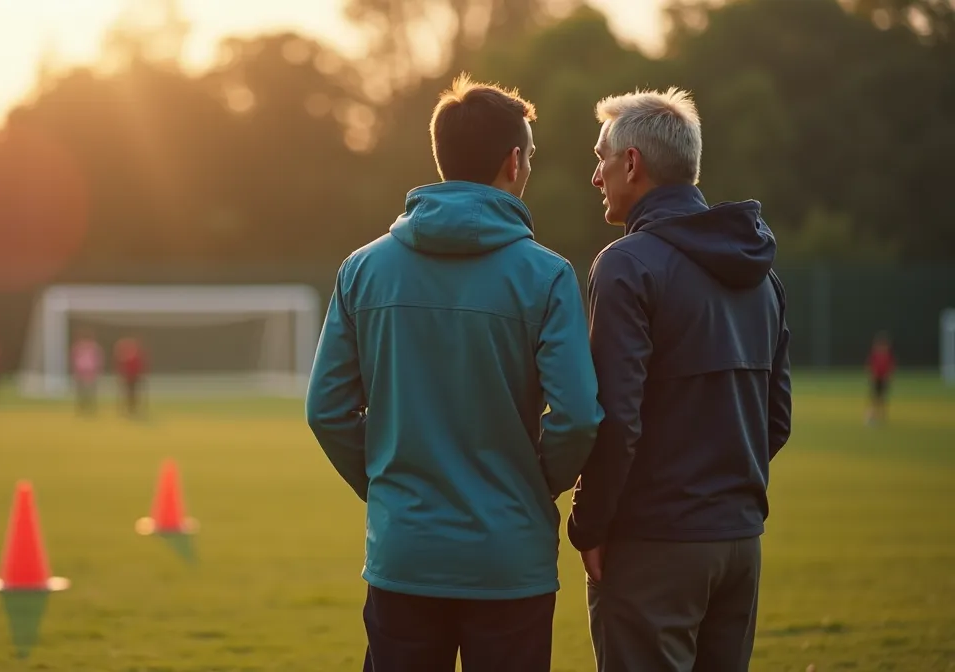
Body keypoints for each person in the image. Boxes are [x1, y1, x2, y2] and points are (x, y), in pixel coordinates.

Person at [305, 73, 603, 672]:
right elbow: (576, 417)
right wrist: (532, 483)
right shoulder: (546, 276)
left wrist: (392, 486)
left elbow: (326, 410)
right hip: (509, 558)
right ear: (514, 162)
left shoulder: (362, 270)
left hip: (405, 550)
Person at [568, 88, 793, 672]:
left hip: (654, 546)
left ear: (632, 163)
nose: (596, 176)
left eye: (600, 159)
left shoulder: (626, 264)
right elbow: (776, 420)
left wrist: (589, 524)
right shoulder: (763, 274)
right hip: (740, 545)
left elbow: (616, 417)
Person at [71, 330, 103, 414]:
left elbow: (98, 360)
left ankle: (90, 408)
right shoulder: (78, 347)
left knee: (90, 392)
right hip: (81, 372)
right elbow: (74, 359)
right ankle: (82, 408)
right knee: (82, 392)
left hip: (91, 372)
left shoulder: (94, 347)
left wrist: (97, 370)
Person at [867, 331, 896, 425]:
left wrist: (889, 376)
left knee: (883, 398)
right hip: (877, 379)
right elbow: (871, 366)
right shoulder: (875, 355)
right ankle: (872, 416)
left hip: (884, 379)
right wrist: (872, 375)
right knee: (875, 398)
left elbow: (890, 367)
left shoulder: (888, 355)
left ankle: (882, 416)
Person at [113, 336, 146, 417]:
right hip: (127, 378)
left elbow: (139, 367)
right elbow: (122, 368)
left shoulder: (135, 357)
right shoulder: (125, 357)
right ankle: (127, 409)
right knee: (126, 394)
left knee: (133, 395)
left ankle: (132, 409)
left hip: (134, 378)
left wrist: (140, 375)